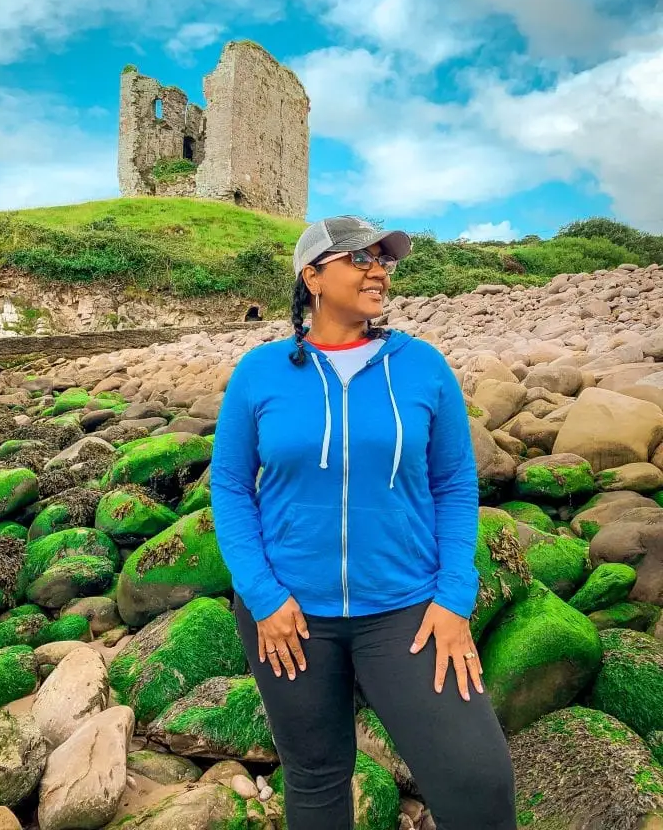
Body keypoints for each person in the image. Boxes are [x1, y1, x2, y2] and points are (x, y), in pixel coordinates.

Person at [210, 215, 517, 830]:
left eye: (384, 259)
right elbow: (230, 484)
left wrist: (456, 596)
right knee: (317, 776)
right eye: (359, 258)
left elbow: (455, 484)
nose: (378, 268)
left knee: (478, 778)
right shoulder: (262, 371)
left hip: (406, 608)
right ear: (313, 276)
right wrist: (263, 594)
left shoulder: (422, 366)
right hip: (289, 615)